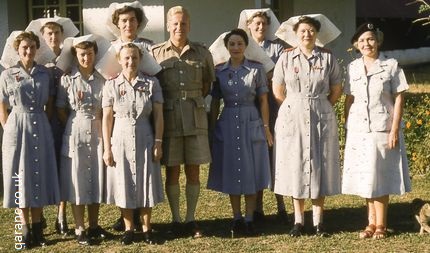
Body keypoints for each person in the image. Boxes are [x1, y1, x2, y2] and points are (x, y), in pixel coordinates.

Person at [272, 15, 342, 237]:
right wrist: (294, 106)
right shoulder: (286, 58)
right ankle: (299, 220)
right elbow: (277, 89)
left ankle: (319, 221)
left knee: (319, 163)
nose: (307, 34)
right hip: (293, 115)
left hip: (320, 112)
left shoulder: (328, 58)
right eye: (302, 30)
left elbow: (337, 87)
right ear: (296, 33)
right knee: (296, 165)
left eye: (311, 30)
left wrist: (321, 105)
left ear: (316, 33)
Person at [342, 22, 411, 239]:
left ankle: (381, 224)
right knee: (366, 176)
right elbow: (349, 99)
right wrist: (347, 125)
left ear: (378, 41)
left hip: (382, 128)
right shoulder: (353, 68)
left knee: (380, 176)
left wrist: (394, 129)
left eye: (370, 39)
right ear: (356, 45)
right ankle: (370, 224)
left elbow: (399, 98)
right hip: (359, 129)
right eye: (362, 41)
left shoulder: (391, 65)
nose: (367, 43)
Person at [151, 5, 215, 238]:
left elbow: (207, 83)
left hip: (195, 116)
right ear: (168, 25)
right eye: (175, 23)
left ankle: (190, 219)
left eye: (183, 23)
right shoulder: (156, 53)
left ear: (189, 25)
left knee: (194, 169)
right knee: (172, 169)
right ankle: (176, 219)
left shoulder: (202, 52)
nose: (179, 27)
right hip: (169, 118)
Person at [208, 28, 272, 237]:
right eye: (232, 44)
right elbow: (215, 101)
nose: (235, 48)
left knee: (250, 170)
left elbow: (263, 100)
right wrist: (212, 127)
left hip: (250, 120)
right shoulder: (219, 71)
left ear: (246, 46)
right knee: (233, 169)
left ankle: (249, 218)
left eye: (239, 44)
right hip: (227, 121)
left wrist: (265, 127)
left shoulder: (256, 69)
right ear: (227, 47)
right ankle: (236, 218)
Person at [0, 31, 60, 248]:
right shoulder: (7, 74)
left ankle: (37, 229)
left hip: (40, 125)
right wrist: (9, 129)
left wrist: (44, 122)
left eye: (32, 47)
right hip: (17, 127)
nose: (28, 51)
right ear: (18, 49)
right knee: (19, 177)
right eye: (24, 47)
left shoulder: (44, 73)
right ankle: (22, 230)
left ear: (37, 49)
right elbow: (2, 106)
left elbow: (51, 103)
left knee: (38, 175)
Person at [105, 0, 159, 231]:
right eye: (123, 20)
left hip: (144, 105)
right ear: (117, 23)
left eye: (132, 20)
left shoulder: (148, 46)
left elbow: (156, 76)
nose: (128, 24)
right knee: (124, 168)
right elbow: (107, 79)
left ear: (138, 22)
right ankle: (126, 216)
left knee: (143, 168)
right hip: (120, 107)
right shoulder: (111, 49)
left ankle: (142, 216)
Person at [102, 43, 164, 245]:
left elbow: (159, 116)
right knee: (123, 180)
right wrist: (107, 148)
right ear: (119, 60)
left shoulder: (151, 83)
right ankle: (128, 228)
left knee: (146, 179)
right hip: (120, 136)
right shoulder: (111, 85)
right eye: (126, 58)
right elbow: (107, 118)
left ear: (140, 58)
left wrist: (158, 142)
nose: (131, 62)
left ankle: (147, 228)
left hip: (145, 135)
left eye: (135, 57)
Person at [56, 35, 111, 245]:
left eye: (89, 53)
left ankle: (94, 225)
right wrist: (76, 124)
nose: (86, 58)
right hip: (76, 130)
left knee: (95, 177)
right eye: (82, 54)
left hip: (97, 130)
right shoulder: (67, 80)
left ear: (95, 54)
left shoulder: (102, 79)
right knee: (77, 180)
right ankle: (80, 228)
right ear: (75, 56)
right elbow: (61, 109)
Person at [26, 17, 79, 235]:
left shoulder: (70, 58)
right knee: (43, 167)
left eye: (57, 33)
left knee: (64, 167)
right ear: (43, 37)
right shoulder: (38, 61)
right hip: (44, 121)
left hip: (66, 118)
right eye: (49, 34)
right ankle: (39, 218)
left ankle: (62, 216)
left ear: (62, 35)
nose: (53, 37)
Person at [238, 8, 287, 223]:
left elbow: (282, 74)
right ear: (248, 26)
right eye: (255, 23)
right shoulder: (244, 48)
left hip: (274, 106)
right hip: (251, 107)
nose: (260, 27)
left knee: (275, 154)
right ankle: (257, 207)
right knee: (254, 155)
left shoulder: (278, 48)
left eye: (263, 24)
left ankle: (281, 204)